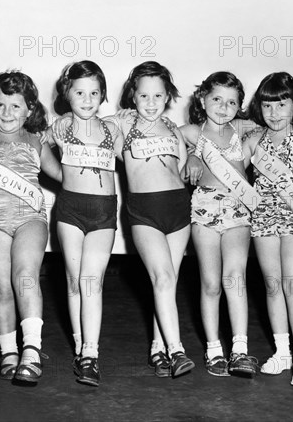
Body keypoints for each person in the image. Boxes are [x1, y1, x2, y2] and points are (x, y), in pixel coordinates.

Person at [0, 71, 62, 384]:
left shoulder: (37, 140)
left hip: (30, 218)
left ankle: (32, 351)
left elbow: (63, 175)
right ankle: (9, 351)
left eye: (15, 106)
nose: (7, 113)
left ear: (30, 110)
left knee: (25, 276)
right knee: (1, 286)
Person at [108, 61, 194, 378]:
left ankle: (159, 349)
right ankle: (177, 350)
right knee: (163, 278)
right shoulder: (122, 125)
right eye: (144, 96)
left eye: (158, 96)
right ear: (133, 95)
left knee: (168, 282)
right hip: (143, 210)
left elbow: (183, 168)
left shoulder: (174, 130)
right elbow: (83, 122)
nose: (151, 103)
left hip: (177, 208)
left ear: (168, 96)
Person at [242, 72, 293, 386]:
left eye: (282, 104)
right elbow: (230, 170)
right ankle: (282, 352)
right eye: (268, 105)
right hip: (261, 218)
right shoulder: (253, 140)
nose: (274, 113)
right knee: (273, 285)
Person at [179, 71, 260, 377]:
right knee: (211, 283)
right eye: (216, 99)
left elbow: (283, 124)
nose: (223, 107)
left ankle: (240, 349)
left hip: (238, 208)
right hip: (204, 208)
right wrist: (190, 156)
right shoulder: (189, 132)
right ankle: (214, 350)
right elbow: (158, 133)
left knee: (235, 277)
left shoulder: (242, 128)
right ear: (202, 99)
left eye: (231, 102)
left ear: (239, 106)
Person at [50, 61, 122, 387]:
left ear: (103, 94)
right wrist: (60, 175)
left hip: (103, 210)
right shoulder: (61, 126)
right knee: (73, 280)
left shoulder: (113, 129)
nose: (88, 98)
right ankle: (80, 346)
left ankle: (92, 354)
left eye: (94, 92)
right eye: (80, 92)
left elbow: (133, 161)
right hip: (69, 209)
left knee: (92, 279)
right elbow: (32, 146)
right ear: (67, 93)